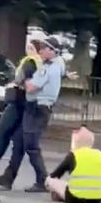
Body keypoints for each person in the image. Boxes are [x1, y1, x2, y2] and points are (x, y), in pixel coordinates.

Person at [0, 39, 43, 185]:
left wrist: (14, 84)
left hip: (18, 103)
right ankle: (9, 176)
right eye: (28, 46)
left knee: (2, 134)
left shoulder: (29, 63)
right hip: (31, 106)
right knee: (19, 143)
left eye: (32, 48)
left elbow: (23, 82)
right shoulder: (43, 65)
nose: (29, 50)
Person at [20, 36, 66, 193]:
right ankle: (42, 179)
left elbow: (31, 87)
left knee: (31, 145)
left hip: (38, 108)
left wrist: (23, 79)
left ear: (52, 51)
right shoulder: (58, 65)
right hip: (43, 108)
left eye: (44, 48)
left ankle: (43, 179)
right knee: (29, 142)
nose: (40, 50)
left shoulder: (47, 68)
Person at [45, 126, 101, 203]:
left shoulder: (74, 155)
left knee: (49, 181)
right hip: (97, 198)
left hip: (75, 197)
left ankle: (59, 195)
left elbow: (55, 175)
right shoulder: (100, 154)